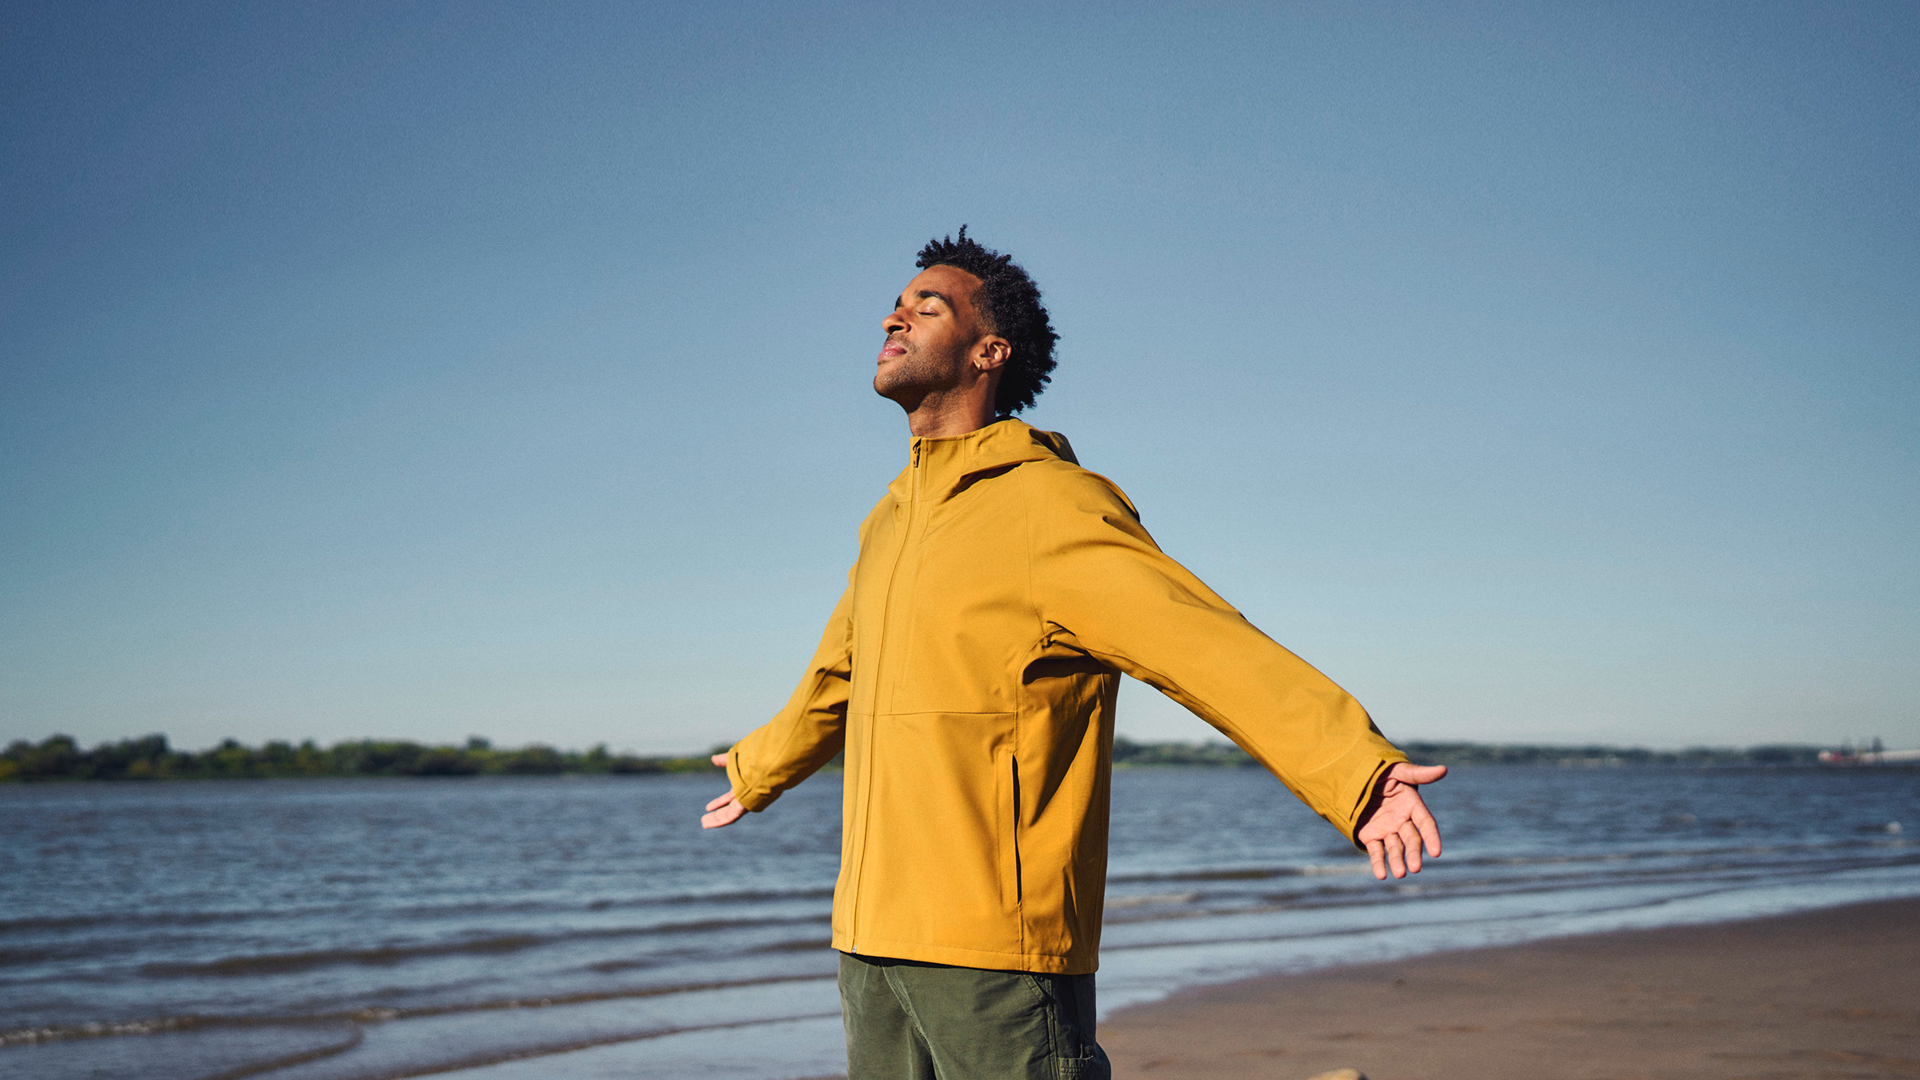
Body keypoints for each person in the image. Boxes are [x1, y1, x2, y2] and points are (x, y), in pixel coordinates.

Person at [700, 227, 1445, 1079]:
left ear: (989, 351)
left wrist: (1355, 770)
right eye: (896, 304)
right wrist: (760, 765)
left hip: (996, 952)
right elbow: (839, 674)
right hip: (869, 943)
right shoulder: (888, 522)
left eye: (924, 305)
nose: (892, 318)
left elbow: (1203, 643)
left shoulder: (1051, 508)